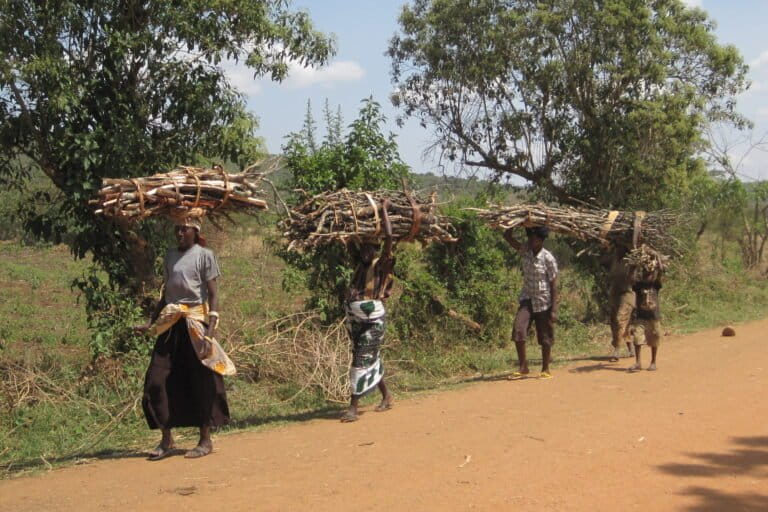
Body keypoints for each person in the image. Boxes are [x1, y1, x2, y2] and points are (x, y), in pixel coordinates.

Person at [135, 217, 233, 460]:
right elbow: (165, 295)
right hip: (171, 323)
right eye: (176, 228)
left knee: (202, 380)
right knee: (157, 379)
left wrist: (210, 331)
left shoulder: (204, 255)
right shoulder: (170, 255)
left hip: (195, 324)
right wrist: (151, 322)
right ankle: (166, 439)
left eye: (184, 228)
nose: (179, 233)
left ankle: (205, 439)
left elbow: (212, 294)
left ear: (195, 231)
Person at [341, 199, 395, 422]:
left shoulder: (380, 264)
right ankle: (387, 396)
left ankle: (353, 407)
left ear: (376, 249)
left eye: (368, 248)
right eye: (362, 248)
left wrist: (383, 210)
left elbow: (390, 238)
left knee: (361, 359)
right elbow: (349, 243)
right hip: (358, 320)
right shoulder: (360, 265)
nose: (364, 252)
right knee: (369, 357)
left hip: (374, 321)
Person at [504, 226, 559, 379]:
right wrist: (516, 223)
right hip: (527, 298)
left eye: (535, 239)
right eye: (530, 238)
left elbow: (554, 285)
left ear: (541, 240)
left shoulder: (548, 258)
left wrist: (554, 309)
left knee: (545, 337)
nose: (532, 242)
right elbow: (507, 237)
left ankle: (545, 368)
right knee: (519, 329)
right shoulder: (525, 251)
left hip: (544, 301)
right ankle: (523, 367)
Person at [629, 265, 663, 372]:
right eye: (645, 273)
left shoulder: (655, 285)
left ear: (653, 275)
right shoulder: (639, 285)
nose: (648, 276)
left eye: (650, 274)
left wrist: (658, 262)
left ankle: (653, 362)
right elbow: (630, 279)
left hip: (654, 317)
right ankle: (638, 363)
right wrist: (633, 267)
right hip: (640, 317)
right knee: (637, 338)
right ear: (642, 274)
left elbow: (661, 273)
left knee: (654, 339)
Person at [606, 245, 635, 362]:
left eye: (619, 247)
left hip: (627, 294)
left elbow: (633, 279)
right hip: (615, 293)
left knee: (620, 319)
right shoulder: (614, 260)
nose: (617, 249)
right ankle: (630, 348)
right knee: (615, 322)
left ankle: (617, 350)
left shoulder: (630, 261)